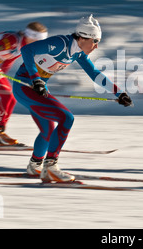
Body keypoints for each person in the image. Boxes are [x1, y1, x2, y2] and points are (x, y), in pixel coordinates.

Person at [13, 14, 133, 183]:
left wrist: (119, 93)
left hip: (37, 88)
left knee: (47, 129)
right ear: (84, 38)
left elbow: (94, 74)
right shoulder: (60, 44)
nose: (96, 46)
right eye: (95, 41)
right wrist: (36, 79)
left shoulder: (77, 53)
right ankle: (50, 168)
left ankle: (35, 166)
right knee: (66, 118)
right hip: (26, 86)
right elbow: (27, 50)